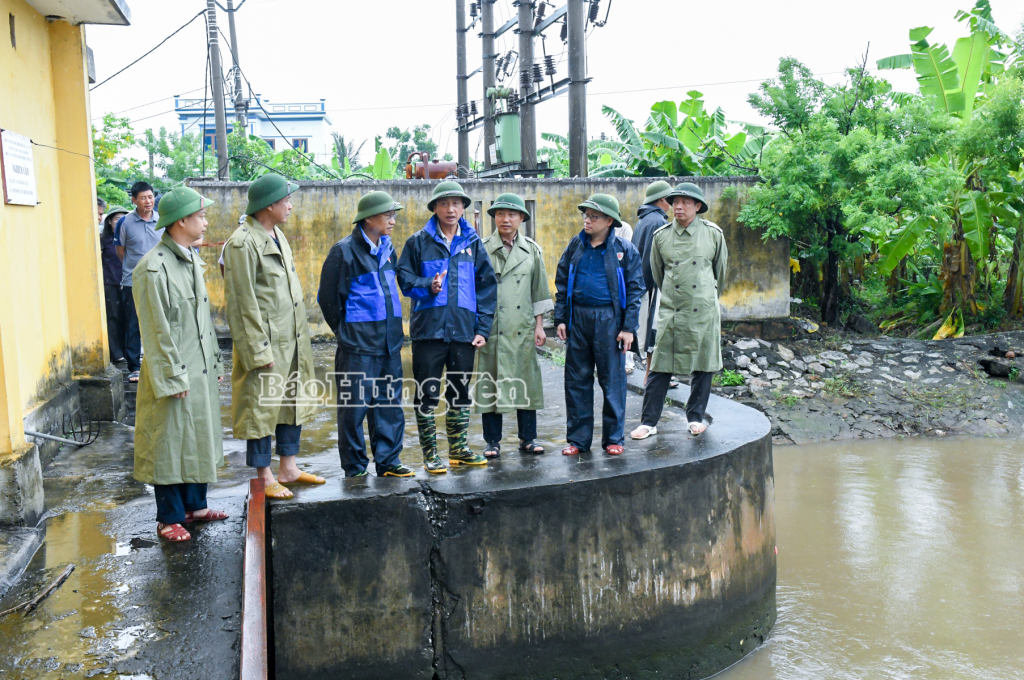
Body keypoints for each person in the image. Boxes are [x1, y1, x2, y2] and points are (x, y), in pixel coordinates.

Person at [132, 187, 228, 542]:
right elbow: (156, 332)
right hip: (173, 370)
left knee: (198, 435)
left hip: (198, 368)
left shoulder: (190, 259)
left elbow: (204, 321)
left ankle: (196, 505)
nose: (205, 221)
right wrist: (172, 376)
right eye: (200, 215)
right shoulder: (152, 269)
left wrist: (215, 361)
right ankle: (169, 516)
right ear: (182, 221)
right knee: (170, 442)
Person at [223, 174, 324, 500]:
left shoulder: (276, 234)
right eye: (287, 200)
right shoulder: (242, 242)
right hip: (267, 344)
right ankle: (265, 476)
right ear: (269, 204)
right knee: (261, 410)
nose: (291, 206)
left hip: (291, 339)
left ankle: (288, 468)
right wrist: (257, 350)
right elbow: (241, 304)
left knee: (292, 403)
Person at [397, 181, 497, 473]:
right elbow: (404, 279)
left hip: (464, 332)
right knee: (427, 391)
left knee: (460, 390)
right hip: (429, 331)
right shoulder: (418, 242)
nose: (450, 209)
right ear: (434, 208)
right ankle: (430, 453)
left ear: (464, 207)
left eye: (456, 203)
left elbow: (487, 287)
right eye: (444, 203)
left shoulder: (473, 243)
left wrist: (482, 329)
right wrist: (428, 284)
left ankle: (459, 449)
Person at [318, 191, 412, 478]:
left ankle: (388, 462)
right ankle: (356, 467)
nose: (393, 220)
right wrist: (345, 333)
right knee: (354, 408)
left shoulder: (388, 248)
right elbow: (328, 299)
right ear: (369, 218)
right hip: (357, 345)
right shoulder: (343, 251)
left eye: (394, 215)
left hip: (389, 342)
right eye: (388, 215)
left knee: (388, 406)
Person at [632, 183, 727, 439]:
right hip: (672, 310)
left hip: (703, 311)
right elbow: (658, 275)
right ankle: (648, 422)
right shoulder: (661, 236)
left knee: (703, 366)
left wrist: (704, 298)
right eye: (675, 202)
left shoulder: (713, 234)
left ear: (697, 206)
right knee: (660, 366)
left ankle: (695, 418)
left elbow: (720, 274)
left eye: (685, 202)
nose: (679, 206)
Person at [554, 194, 644, 456]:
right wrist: (561, 318)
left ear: (609, 221)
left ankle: (614, 438)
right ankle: (578, 440)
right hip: (578, 319)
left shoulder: (624, 250)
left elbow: (636, 290)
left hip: (609, 321)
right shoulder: (576, 246)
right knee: (576, 380)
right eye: (586, 215)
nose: (587, 220)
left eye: (594, 216)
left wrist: (628, 328)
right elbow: (561, 283)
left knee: (612, 380)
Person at [474, 193, 553, 459]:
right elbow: (475, 290)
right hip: (493, 327)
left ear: (521, 219)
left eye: (511, 214)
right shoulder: (482, 248)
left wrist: (539, 326)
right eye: (500, 214)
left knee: (526, 381)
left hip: (522, 326)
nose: (505, 219)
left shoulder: (532, 250)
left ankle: (528, 438)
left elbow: (539, 290)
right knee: (490, 380)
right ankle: (492, 442)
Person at [115, 181, 160, 383]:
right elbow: (121, 252)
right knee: (133, 324)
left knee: (161, 322)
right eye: (143, 197)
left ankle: (159, 363)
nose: (148, 201)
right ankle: (134, 367)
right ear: (134, 200)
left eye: (150, 197)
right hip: (133, 281)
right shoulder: (124, 222)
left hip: (160, 279)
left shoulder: (162, 221)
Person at [630, 180, 674, 379]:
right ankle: (651, 376)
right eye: (670, 200)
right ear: (662, 199)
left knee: (650, 332)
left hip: (642, 283)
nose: (672, 205)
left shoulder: (643, 220)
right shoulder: (658, 222)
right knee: (653, 333)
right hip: (652, 285)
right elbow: (652, 258)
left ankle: (651, 374)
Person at [100, 205, 130, 363]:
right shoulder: (103, 239)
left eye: (124, 219)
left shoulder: (128, 238)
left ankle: (127, 351)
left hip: (127, 283)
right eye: (117, 219)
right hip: (110, 283)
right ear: (110, 221)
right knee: (113, 318)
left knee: (127, 317)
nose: (120, 222)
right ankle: (115, 352)